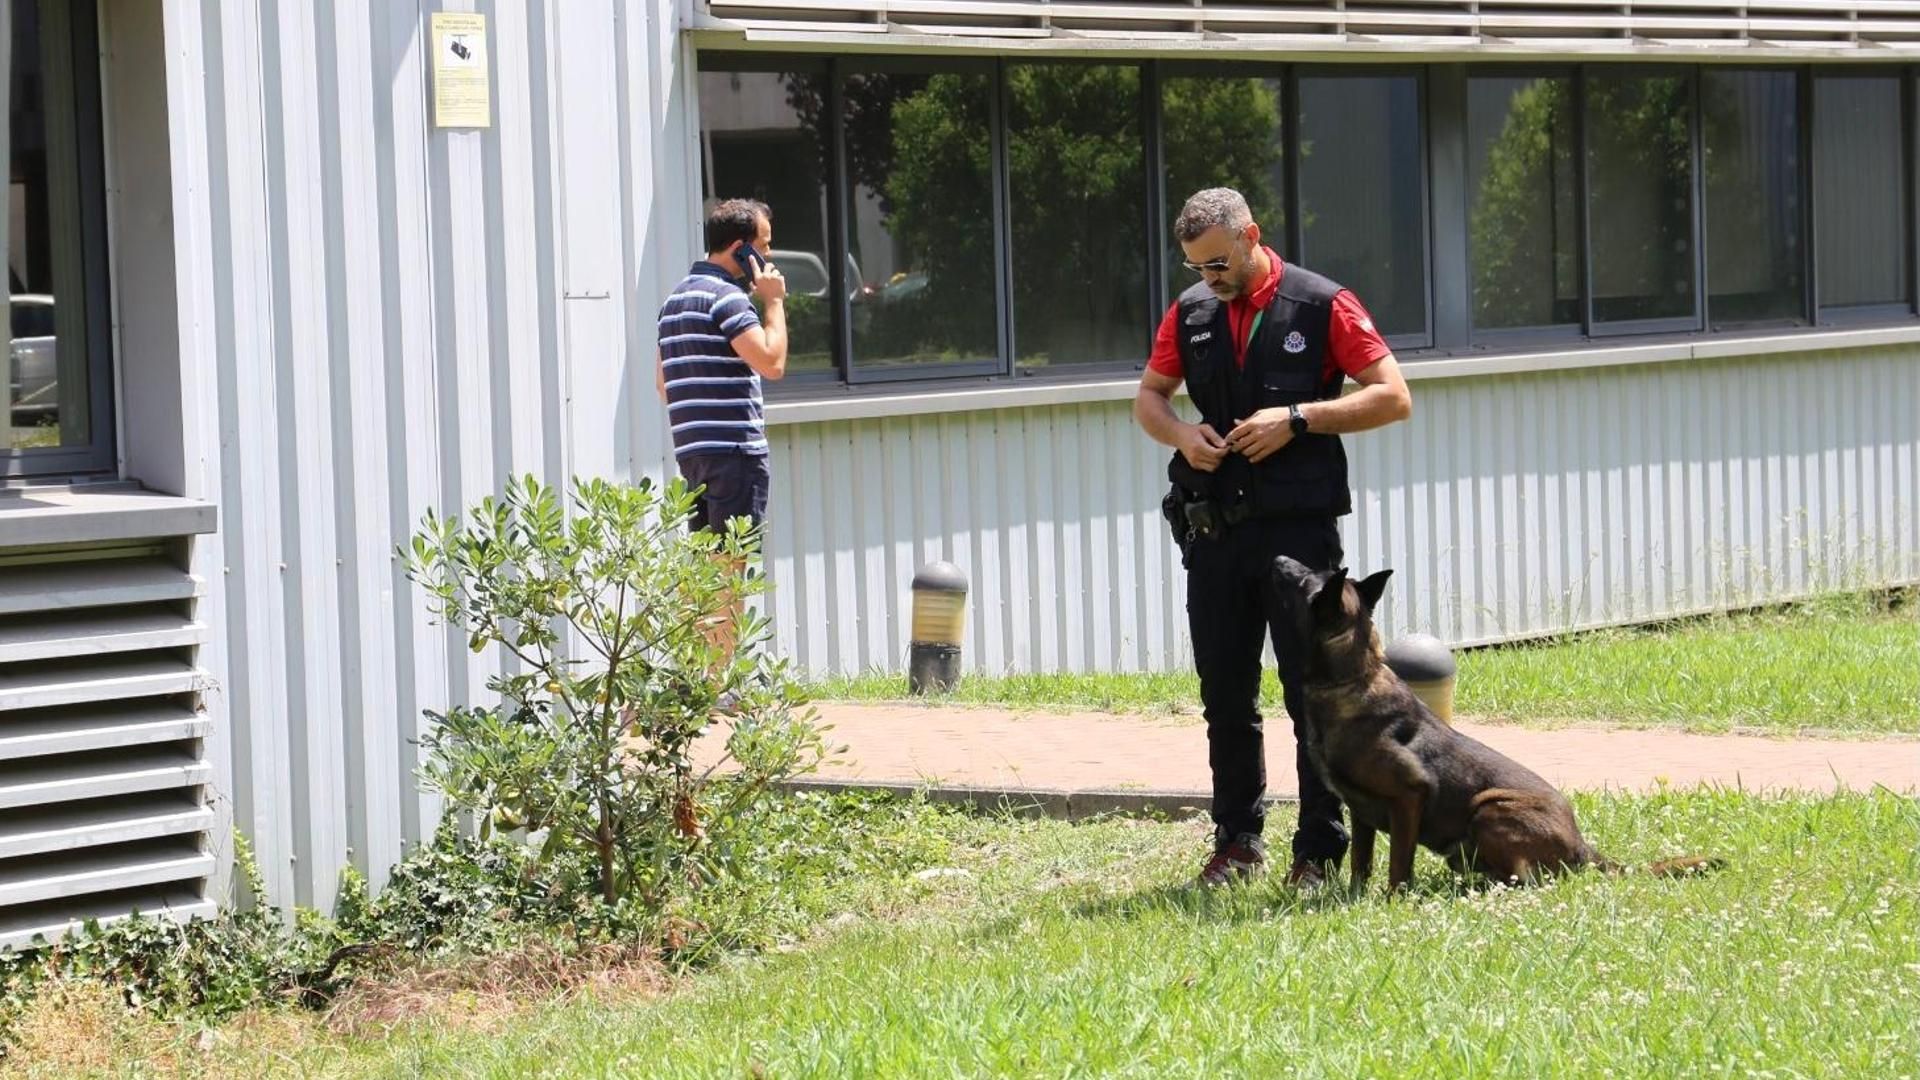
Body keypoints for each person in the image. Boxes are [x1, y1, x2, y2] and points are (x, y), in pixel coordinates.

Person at [1133, 187, 1414, 890]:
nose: (1210, 279)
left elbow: (1392, 395)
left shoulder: (1324, 305)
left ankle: (1317, 849)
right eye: (1197, 268)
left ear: (1253, 235)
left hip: (1297, 539)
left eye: (1220, 263)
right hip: (1214, 536)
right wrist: (1180, 434)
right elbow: (1149, 397)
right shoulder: (1191, 312)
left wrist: (1298, 418)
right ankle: (1237, 844)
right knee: (1224, 696)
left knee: (1310, 694)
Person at [656, 198, 789, 671]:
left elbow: (664, 386)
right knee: (730, 571)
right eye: (764, 248)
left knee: (704, 573)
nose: (769, 260)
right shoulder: (729, 299)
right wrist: (772, 302)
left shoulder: (673, 302)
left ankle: (700, 677)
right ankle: (721, 683)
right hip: (736, 452)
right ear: (740, 250)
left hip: (693, 455)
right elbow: (772, 363)